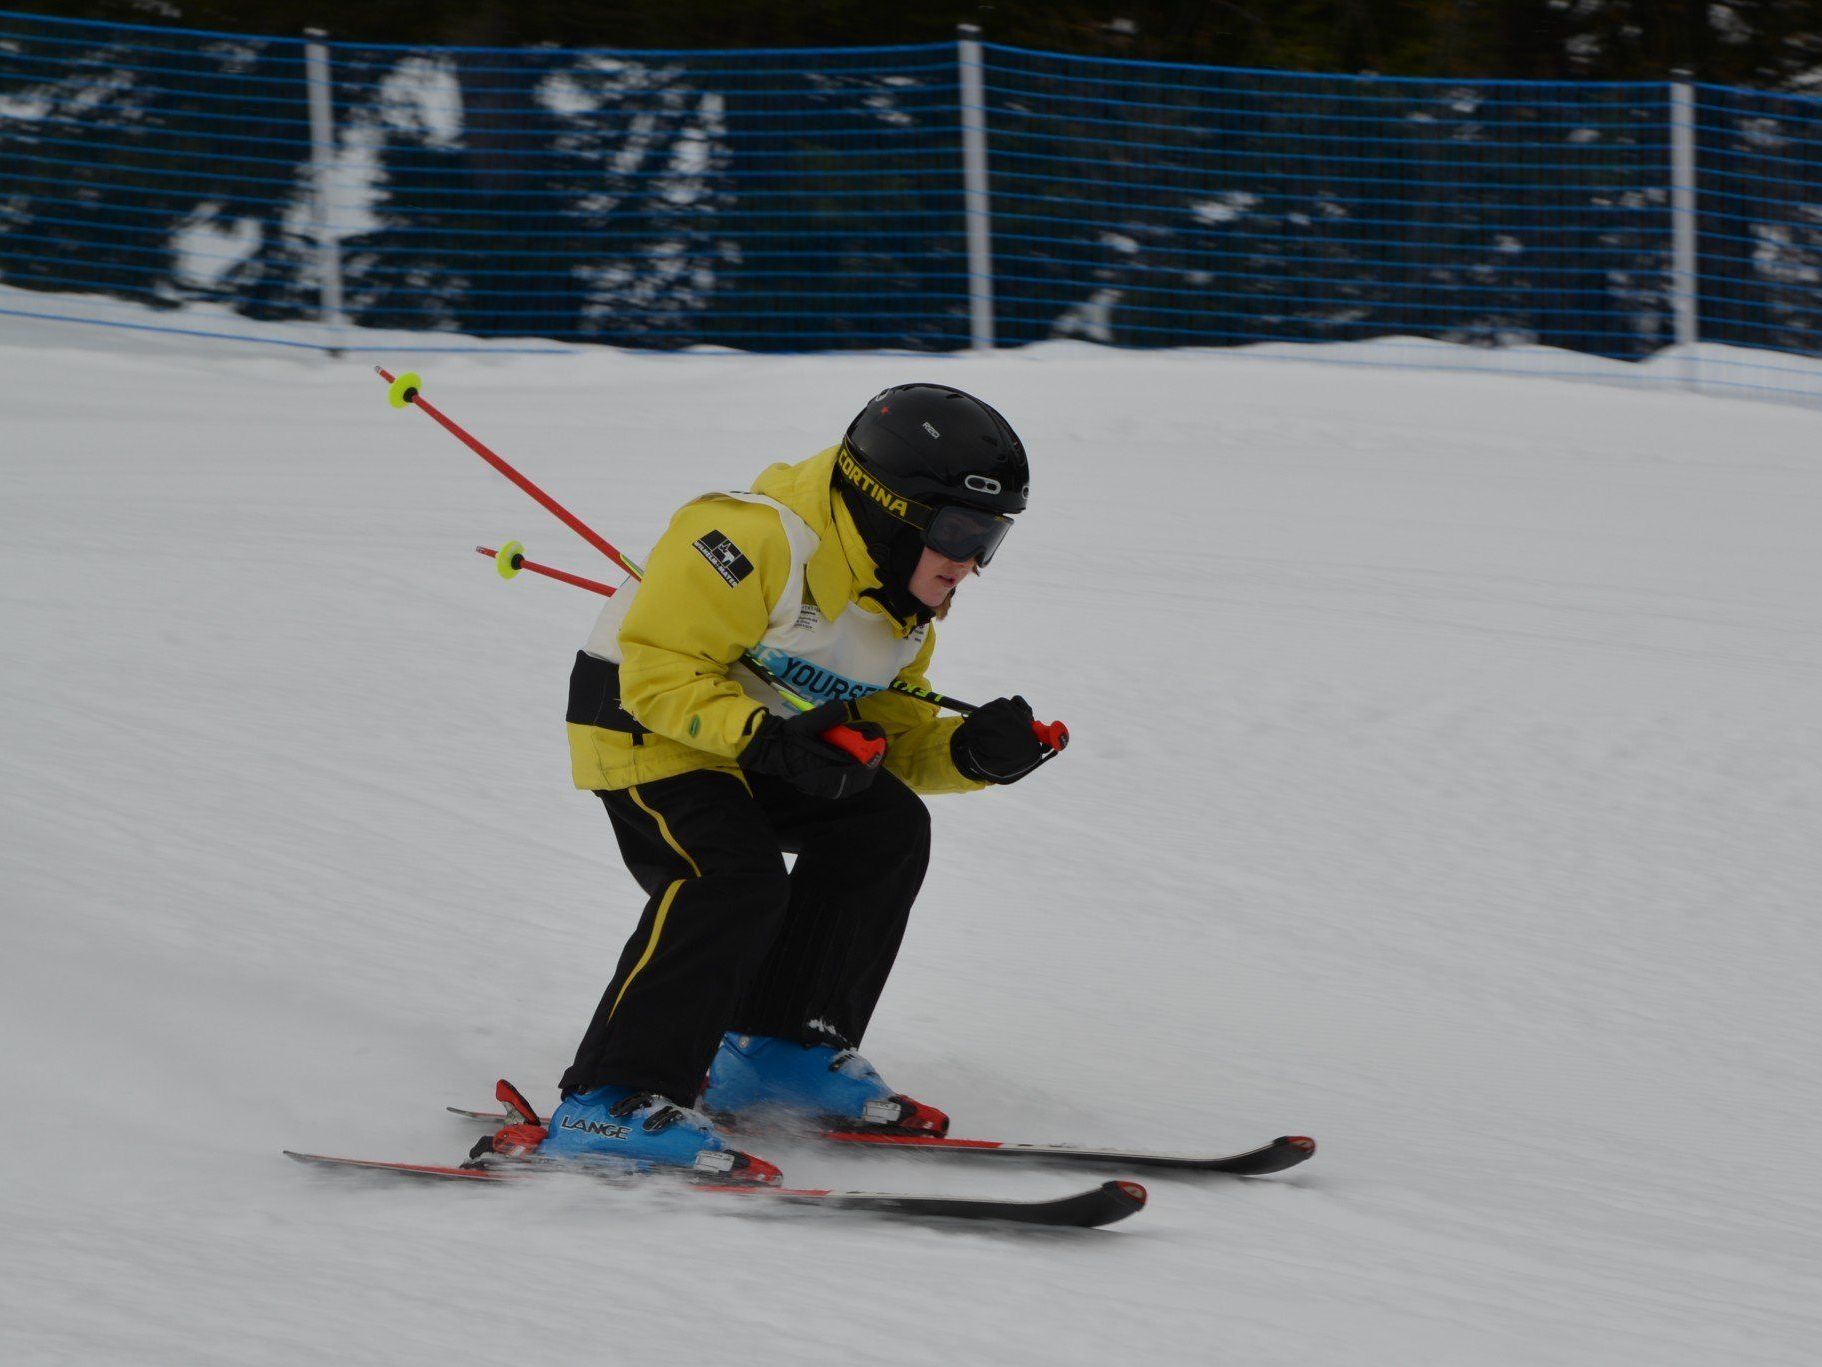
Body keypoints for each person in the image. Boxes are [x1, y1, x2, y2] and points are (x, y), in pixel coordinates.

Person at [531, 383, 1057, 1180]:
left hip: (762, 743)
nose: (970, 563)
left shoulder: (900, 610)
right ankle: (608, 1098)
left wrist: (970, 755)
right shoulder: (751, 538)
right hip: (643, 727)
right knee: (732, 873)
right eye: (959, 531)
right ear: (891, 510)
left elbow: (887, 744)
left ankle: (778, 1045)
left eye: (992, 537)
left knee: (884, 824)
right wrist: (770, 740)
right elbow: (658, 673)